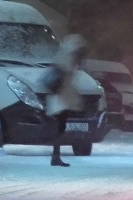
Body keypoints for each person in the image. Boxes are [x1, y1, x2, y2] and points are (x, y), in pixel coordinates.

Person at [45, 34, 88, 167]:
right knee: (59, 127)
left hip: (58, 97)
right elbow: (67, 81)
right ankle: (55, 156)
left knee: (59, 127)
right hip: (60, 98)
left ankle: (56, 156)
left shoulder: (63, 55)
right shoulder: (68, 59)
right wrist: (76, 101)